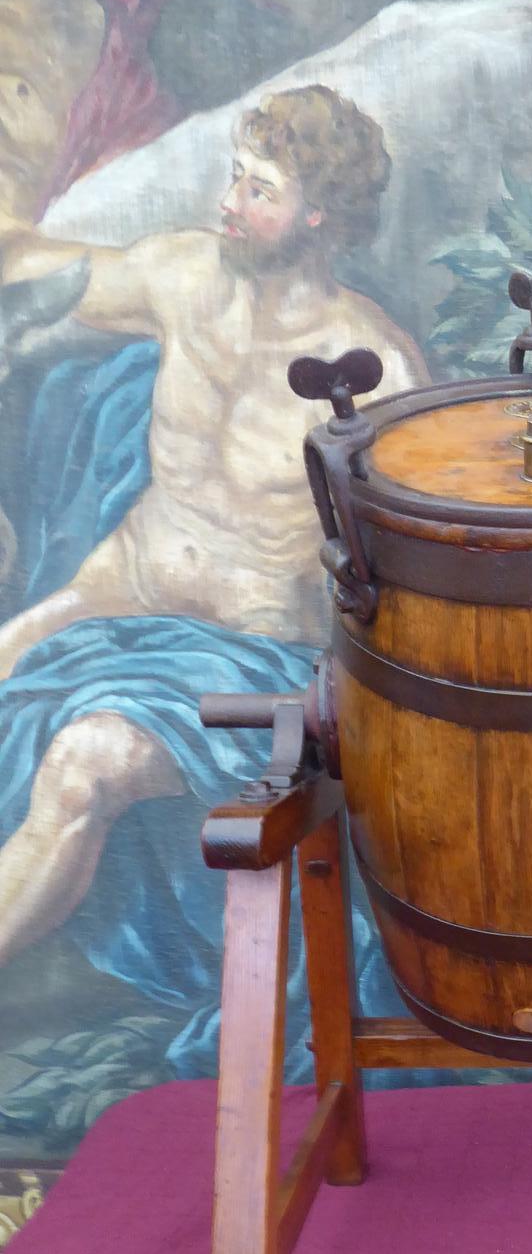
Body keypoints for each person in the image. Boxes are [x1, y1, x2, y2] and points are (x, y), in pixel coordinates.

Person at [0, 85, 428, 1057]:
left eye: (261, 188)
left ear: (320, 216)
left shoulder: (375, 371)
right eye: (235, 176)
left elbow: (409, 579)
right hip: (113, 602)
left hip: (254, 660)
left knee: (85, 761)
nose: (232, 200)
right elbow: (38, 272)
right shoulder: (181, 276)